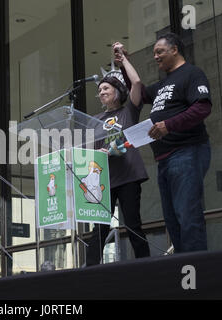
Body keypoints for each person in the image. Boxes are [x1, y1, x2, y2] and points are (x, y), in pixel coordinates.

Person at [132, 33, 212, 253]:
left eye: (160, 52)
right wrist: (123, 63)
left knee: (187, 213)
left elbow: (202, 108)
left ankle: (197, 270)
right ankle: (183, 269)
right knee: (172, 219)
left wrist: (168, 125)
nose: (156, 57)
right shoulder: (162, 85)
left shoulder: (192, 74)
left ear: (175, 49)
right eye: (154, 53)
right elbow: (137, 92)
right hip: (164, 159)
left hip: (187, 151)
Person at [85, 42, 150, 266]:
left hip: (129, 176)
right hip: (104, 180)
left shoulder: (128, 110)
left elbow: (138, 83)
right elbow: (89, 152)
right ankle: (90, 271)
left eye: (106, 89)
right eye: (100, 90)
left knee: (133, 222)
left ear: (117, 91)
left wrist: (123, 59)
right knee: (99, 228)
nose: (101, 92)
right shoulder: (95, 121)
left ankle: (145, 266)